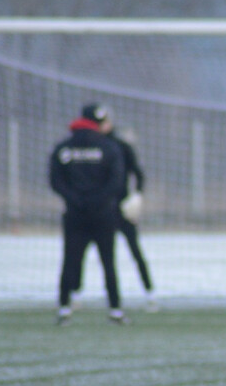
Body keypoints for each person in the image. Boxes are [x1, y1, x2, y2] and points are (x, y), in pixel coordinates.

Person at [49, 103, 128, 326]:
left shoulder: (64, 148)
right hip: (103, 213)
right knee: (108, 262)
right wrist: (98, 200)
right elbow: (116, 181)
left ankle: (64, 308)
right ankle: (115, 309)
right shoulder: (109, 147)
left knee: (70, 260)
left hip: (74, 213)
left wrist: (75, 200)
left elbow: (56, 181)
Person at [106, 121, 157, 312]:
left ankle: (150, 292)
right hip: (99, 209)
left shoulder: (121, 147)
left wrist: (136, 197)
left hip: (123, 207)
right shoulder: (91, 148)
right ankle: (75, 294)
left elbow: (138, 174)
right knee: (101, 256)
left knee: (135, 251)